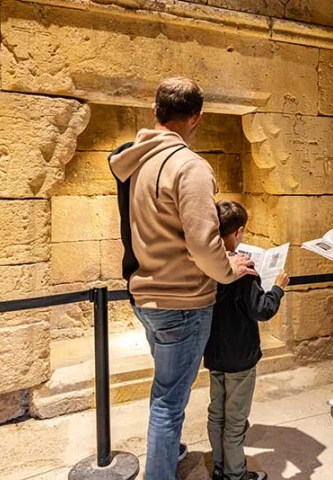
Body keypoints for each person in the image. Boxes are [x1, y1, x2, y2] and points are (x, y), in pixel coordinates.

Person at [108, 77, 255, 480]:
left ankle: (166, 454)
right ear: (197, 117)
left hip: (147, 296)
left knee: (164, 393)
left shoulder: (136, 161)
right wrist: (229, 270)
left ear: (155, 111)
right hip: (183, 302)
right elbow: (205, 244)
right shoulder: (190, 166)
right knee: (169, 403)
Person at [204, 200, 290, 480]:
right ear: (238, 232)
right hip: (240, 355)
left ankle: (219, 466)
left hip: (214, 352)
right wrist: (277, 288)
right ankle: (236, 474)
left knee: (217, 411)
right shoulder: (244, 271)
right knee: (235, 419)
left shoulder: (204, 265)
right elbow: (262, 310)